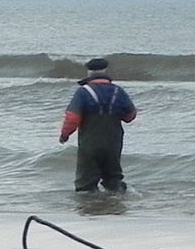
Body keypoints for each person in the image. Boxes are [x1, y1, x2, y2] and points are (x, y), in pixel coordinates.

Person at [59, 58, 138, 193]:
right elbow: (130, 116)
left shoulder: (83, 92)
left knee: (86, 182)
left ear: (89, 73)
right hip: (113, 143)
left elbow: (72, 118)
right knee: (113, 179)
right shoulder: (118, 91)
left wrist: (65, 134)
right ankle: (116, 204)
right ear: (106, 71)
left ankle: (91, 207)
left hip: (90, 144)